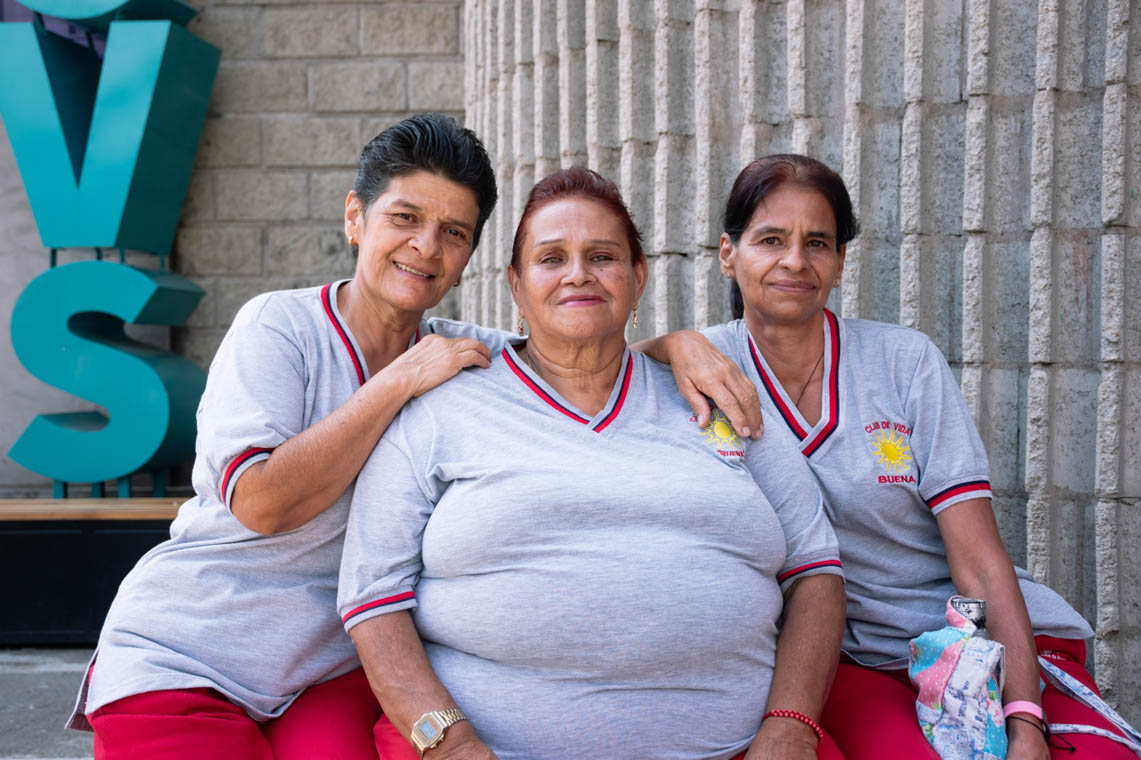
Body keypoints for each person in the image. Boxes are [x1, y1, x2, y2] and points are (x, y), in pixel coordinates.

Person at [70, 114, 763, 760]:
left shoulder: (462, 349)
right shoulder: (278, 327)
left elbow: (577, 345)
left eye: (454, 232)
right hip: (195, 648)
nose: (425, 247)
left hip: (326, 669)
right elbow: (260, 503)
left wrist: (678, 345)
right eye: (404, 218)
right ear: (354, 216)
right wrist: (397, 383)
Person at [338, 166, 848, 760]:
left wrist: (789, 727)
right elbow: (372, 595)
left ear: (638, 277)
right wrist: (451, 743)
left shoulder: (717, 397)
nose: (578, 273)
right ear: (515, 286)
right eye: (551, 258)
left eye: (601, 256)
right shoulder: (441, 407)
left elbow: (816, 568)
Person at [683, 153, 1132, 760]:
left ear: (840, 261)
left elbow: (980, 561)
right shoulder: (697, 366)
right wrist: (670, 343)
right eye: (770, 240)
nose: (795, 260)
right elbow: (599, 365)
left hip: (972, 642)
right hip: (844, 660)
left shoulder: (903, 362)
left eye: (817, 242)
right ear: (728, 254)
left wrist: (1025, 722)